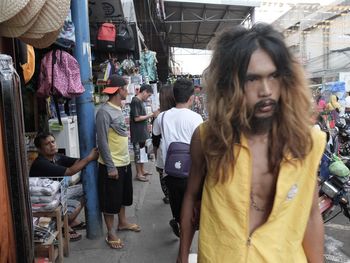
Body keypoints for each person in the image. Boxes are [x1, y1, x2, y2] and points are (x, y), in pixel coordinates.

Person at [178, 23, 325, 262]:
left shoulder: (308, 142)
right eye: (252, 79)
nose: (266, 90)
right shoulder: (208, 138)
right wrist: (182, 255)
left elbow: (309, 215)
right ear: (229, 85)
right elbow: (190, 197)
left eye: (274, 76)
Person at [153, 78, 203, 237]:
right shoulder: (196, 118)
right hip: (191, 172)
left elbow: (155, 139)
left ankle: (178, 222)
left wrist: (157, 160)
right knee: (192, 204)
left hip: (170, 171)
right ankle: (187, 229)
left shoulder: (161, 117)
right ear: (191, 98)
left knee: (175, 203)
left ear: (175, 97)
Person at [96, 74, 141, 250]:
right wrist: (110, 166)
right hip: (112, 165)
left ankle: (122, 222)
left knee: (123, 196)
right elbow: (102, 141)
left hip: (124, 162)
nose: (128, 91)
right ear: (119, 90)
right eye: (125, 88)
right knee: (110, 200)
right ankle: (110, 232)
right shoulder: (104, 112)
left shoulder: (118, 108)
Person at [29, 132, 99, 241]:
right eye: (47, 144)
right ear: (40, 149)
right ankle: (62, 224)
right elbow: (70, 171)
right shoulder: (41, 163)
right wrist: (89, 158)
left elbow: (76, 161)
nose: (52, 145)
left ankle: (70, 220)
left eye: (53, 142)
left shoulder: (57, 157)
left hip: (57, 195)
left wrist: (88, 157)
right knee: (76, 195)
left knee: (87, 188)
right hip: (44, 202)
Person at [152, 84, 176, 204]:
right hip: (181, 152)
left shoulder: (160, 116)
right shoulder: (183, 113)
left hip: (164, 151)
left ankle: (168, 196)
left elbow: (155, 137)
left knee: (163, 174)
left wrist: (155, 153)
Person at [130, 84, 157, 182]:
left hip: (142, 132)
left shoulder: (139, 101)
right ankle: (139, 174)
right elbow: (136, 118)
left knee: (142, 153)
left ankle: (142, 170)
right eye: (148, 95)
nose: (148, 97)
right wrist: (151, 115)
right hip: (137, 133)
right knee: (138, 154)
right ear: (144, 91)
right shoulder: (135, 101)